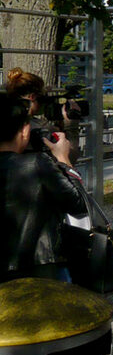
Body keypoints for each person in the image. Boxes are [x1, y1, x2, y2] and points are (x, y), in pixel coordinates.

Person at [1, 93, 88, 282]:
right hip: (39, 267)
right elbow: (80, 205)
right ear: (25, 131)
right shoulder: (36, 163)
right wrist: (63, 159)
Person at [5, 67, 81, 159]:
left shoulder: (7, 120)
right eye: (44, 96)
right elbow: (68, 159)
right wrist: (71, 127)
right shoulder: (36, 129)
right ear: (32, 97)